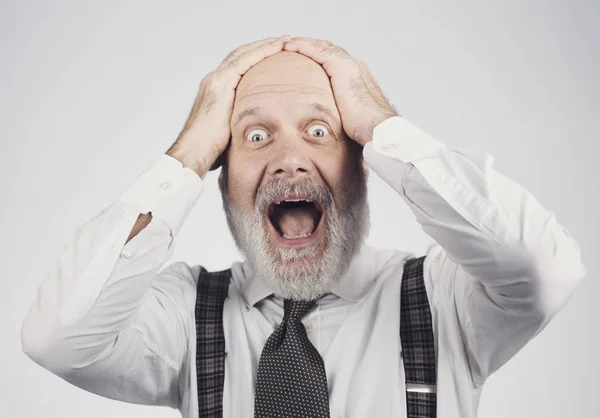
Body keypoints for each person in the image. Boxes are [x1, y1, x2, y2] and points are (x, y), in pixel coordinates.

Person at [21, 35, 586, 418]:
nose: (290, 160)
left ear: (365, 167)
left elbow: (545, 266)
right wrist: (187, 154)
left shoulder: (446, 299)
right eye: (256, 137)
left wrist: (381, 120)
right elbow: (58, 339)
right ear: (223, 179)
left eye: (320, 132)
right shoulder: (187, 316)